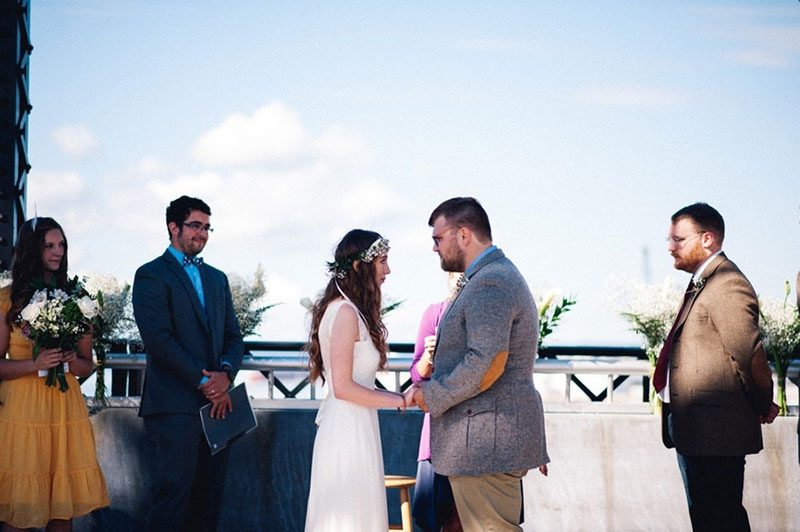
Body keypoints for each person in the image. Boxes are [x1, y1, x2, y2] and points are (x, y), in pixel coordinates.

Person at [412, 197, 549, 531]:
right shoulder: (489, 277)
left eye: (437, 238)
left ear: (463, 235)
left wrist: (433, 396)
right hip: (486, 442)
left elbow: (488, 362)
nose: (434, 248)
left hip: (486, 445)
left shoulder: (491, 282)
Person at [653, 202, 778, 531]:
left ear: (707, 238)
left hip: (716, 435)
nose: (670, 248)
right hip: (697, 432)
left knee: (721, 520)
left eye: (678, 240)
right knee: (708, 519)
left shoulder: (726, 284)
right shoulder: (705, 281)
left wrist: (763, 403)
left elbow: (751, 356)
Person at [132, 196, 245, 532]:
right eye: (195, 225)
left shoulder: (217, 278)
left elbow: (234, 337)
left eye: (207, 227)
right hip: (173, 408)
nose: (203, 233)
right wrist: (205, 381)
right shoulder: (150, 275)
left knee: (208, 501)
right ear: (173, 227)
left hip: (219, 410)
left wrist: (225, 375)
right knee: (173, 499)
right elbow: (159, 341)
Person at [0, 217, 109, 531]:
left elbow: (88, 364)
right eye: (49, 245)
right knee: (19, 511)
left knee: (61, 513)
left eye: (61, 244)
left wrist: (71, 361)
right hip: (21, 414)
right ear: (32, 249)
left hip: (63, 410)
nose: (58, 251)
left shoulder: (77, 299)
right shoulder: (7, 300)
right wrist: (35, 364)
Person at [304, 229, 415, 532]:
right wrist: (400, 399)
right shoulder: (344, 313)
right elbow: (343, 387)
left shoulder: (351, 311)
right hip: (345, 433)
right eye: (382, 261)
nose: (388, 270)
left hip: (359, 426)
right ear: (358, 266)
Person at [410, 272, 463, 532]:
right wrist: (429, 356)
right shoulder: (434, 314)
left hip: (480, 435)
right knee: (443, 521)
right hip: (440, 432)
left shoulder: (487, 312)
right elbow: (416, 375)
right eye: (455, 273)